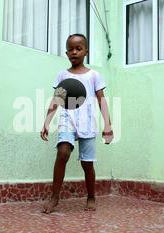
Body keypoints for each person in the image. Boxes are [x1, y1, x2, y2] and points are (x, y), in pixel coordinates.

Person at [40, 34, 114, 214]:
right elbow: (57, 100)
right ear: (66, 53)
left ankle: (91, 196)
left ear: (86, 51)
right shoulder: (62, 75)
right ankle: (54, 197)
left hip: (88, 123)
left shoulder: (94, 75)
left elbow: (101, 101)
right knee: (63, 152)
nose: (74, 52)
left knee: (87, 164)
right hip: (68, 121)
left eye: (78, 48)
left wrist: (108, 126)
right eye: (70, 49)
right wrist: (46, 122)